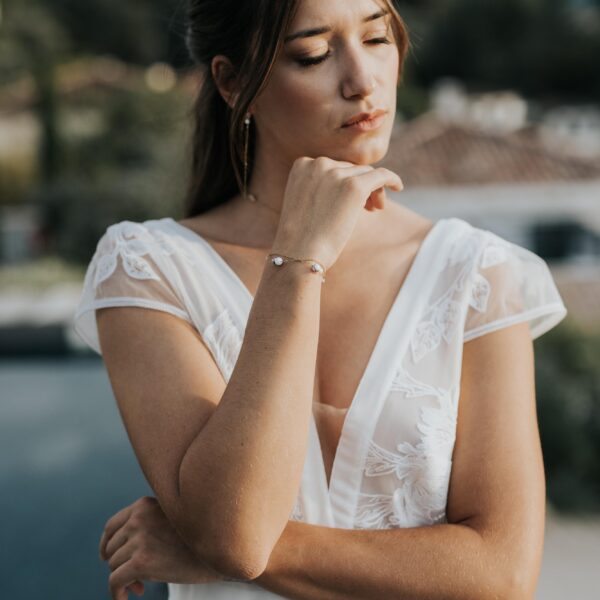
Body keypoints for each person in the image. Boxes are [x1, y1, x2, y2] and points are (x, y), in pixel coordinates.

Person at [72, 1, 568, 599]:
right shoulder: (148, 269)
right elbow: (234, 534)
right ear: (233, 83)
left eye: (378, 39)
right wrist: (298, 262)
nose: (364, 81)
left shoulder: (475, 273)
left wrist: (216, 543)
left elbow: (502, 574)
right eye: (313, 54)